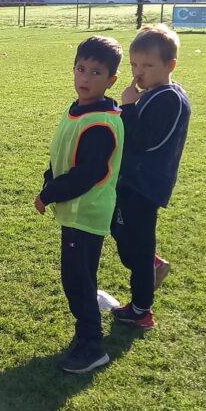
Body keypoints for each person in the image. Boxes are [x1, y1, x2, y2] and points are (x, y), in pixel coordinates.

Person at [34, 35, 125, 374]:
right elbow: (63, 154)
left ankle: (92, 347)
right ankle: (85, 337)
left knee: (78, 281)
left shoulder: (101, 122)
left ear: (111, 79)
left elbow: (86, 174)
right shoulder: (78, 109)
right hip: (75, 213)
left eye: (96, 73)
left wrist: (48, 194)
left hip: (86, 213)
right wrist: (49, 178)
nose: (85, 78)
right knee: (78, 278)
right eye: (80, 69)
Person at [110, 24, 191, 331]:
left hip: (144, 187)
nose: (138, 72)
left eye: (147, 65)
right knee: (120, 231)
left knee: (138, 249)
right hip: (133, 182)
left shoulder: (169, 99)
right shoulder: (154, 94)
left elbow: (141, 141)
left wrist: (127, 107)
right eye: (134, 65)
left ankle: (141, 311)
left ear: (170, 65)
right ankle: (152, 264)